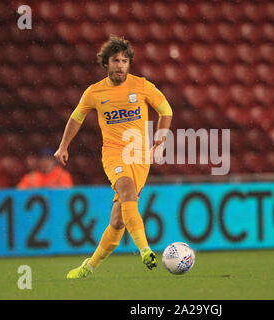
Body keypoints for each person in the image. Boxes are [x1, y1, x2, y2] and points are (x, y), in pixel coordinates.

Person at [54, 35, 173, 279]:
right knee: (127, 191)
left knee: (118, 220)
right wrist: (64, 145)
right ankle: (145, 249)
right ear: (105, 63)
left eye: (124, 61)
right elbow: (77, 117)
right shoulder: (95, 92)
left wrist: (160, 142)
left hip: (139, 156)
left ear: (129, 64)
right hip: (113, 153)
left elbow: (166, 110)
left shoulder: (141, 86)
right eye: (115, 60)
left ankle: (90, 266)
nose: (120, 65)